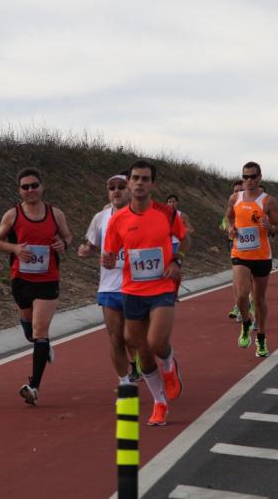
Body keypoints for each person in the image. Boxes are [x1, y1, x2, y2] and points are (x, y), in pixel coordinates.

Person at [102, 159, 188, 427]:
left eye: (145, 179)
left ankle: (170, 367)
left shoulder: (166, 213)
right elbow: (110, 252)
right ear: (129, 183)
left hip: (161, 286)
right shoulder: (118, 220)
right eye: (135, 178)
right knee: (142, 351)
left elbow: (184, 238)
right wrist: (107, 259)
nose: (139, 183)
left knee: (156, 341)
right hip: (132, 290)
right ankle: (159, 403)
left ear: (152, 183)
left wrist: (176, 260)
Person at [0, 168, 73, 406]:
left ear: (42, 186)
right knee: (31, 333)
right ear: (19, 190)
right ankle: (43, 346)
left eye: (34, 185)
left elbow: (68, 237)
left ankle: (34, 386)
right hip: (21, 279)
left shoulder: (55, 214)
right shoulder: (13, 215)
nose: (30, 190)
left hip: (48, 279)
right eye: (25, 187)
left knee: (40, 330)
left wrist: (63, 244)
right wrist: (15, 249)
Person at [78, 173, 143, 385]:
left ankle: (139, 361)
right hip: (109, 287)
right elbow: (91, 243)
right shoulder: (101, 217)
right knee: (115, 338)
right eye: (112, 187)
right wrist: (86, 249)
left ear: (130, 189)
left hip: (137, 286)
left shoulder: (143, 216)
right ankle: (124, 382)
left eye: (121, 186)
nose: (116, 191)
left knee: (132, 336)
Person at [225, 161, 278, 359]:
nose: (248, 180)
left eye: (252, 176)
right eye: (245, 177)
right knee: (241, 296)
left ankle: (261, 337)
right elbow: (229, 219)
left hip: (261, 256)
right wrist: (231, 229)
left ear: (259, 178)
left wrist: (271, 228)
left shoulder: (268, 201)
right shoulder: (235, 198)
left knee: (258, 299)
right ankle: (246, 322)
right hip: (240, 254)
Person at [224, 180, 254, 320]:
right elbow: (226, 223)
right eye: (235, 191)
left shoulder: (250, 205)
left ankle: (252, 303)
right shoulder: (231, 207)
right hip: (235, 246)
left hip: (253, 249)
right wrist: (230, 229)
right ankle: (238, 306)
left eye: (240, 190)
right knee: (237, 279)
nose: (237, 193)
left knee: (252, 279)